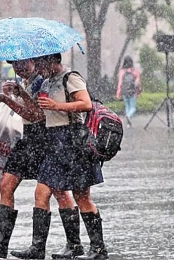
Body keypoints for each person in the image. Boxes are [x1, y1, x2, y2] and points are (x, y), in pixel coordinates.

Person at [0, 59, 84, 259]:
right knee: (6, 184)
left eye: (22, 64)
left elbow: (36, 115)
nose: (18, 68)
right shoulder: (23, 83)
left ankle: (69, 244)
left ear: (34, 62)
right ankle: (1, 243)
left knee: (57, 192)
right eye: (14, 65)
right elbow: (26, 114)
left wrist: (8, 99)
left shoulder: (43, 82)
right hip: (27, 140)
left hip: (47, 141)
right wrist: (7, 96)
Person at [11, 53, 109, 260]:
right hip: (53, 143)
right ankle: (41, 248)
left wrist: (57, 106)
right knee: (42, 192)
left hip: (73, 141)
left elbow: (86, 104)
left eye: (40, 63)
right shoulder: (45, 83)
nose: (37, 67)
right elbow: (37, 114)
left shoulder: (70, 77)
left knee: (82, 197)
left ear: (52, 61)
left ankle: (98, 249)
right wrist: (20, 94)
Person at [116, 56, 141, 128]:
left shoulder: (122, 71)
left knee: (127, 106)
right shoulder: (135, 71)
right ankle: (128, 116)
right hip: (133, 91)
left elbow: (120, 83)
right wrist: (138, 92)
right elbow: (138, 83)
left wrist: (118, 93)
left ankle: (128, 123)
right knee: (133, 107)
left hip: (125, 91)